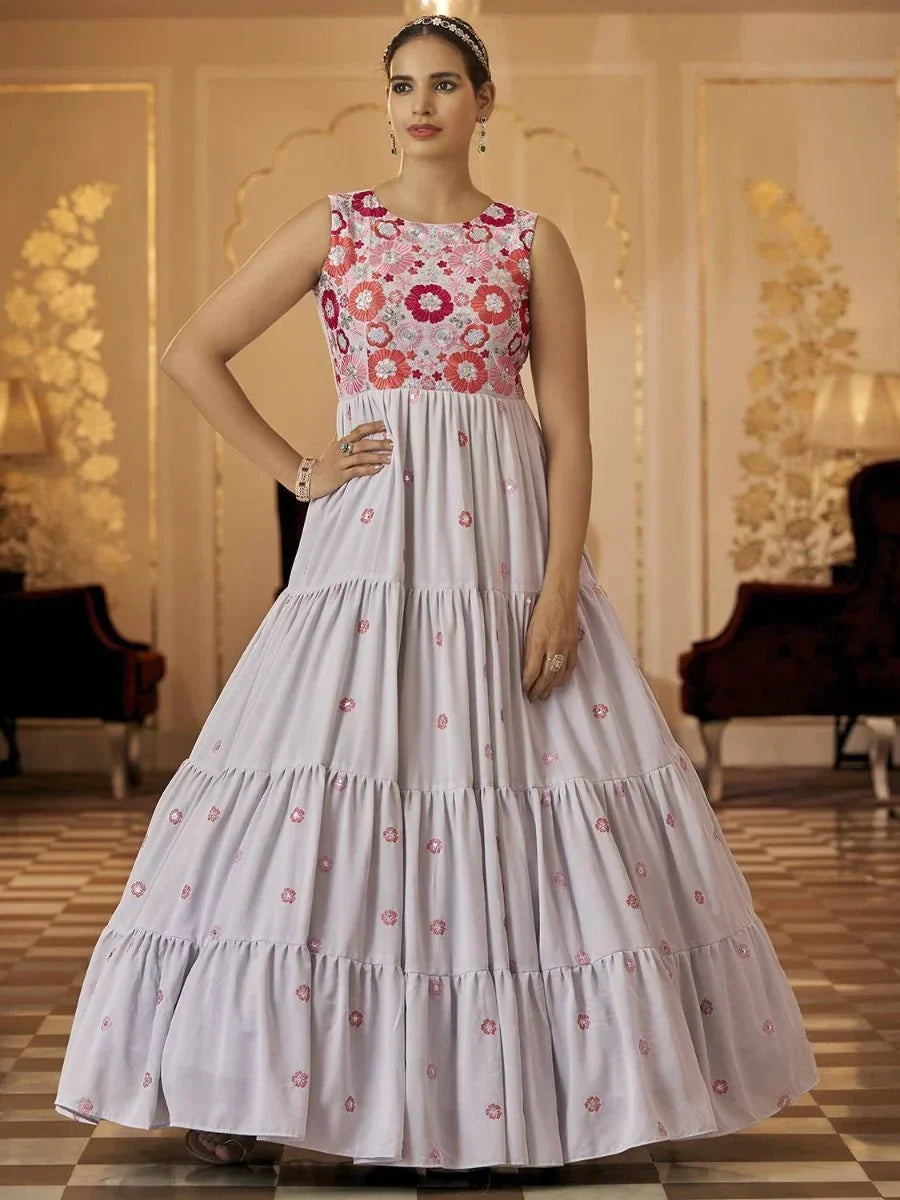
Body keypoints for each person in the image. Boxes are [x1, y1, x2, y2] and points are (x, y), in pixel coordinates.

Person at [52, 13, 819, 1183]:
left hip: (503, 556)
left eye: (446, 84)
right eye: (402, 84)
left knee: (516, 793)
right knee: (321, 793)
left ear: (485, 101)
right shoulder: (338, 228)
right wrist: (302, 472)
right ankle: (240, 1075)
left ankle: (523, 1100)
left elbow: (570, 430)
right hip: (367, 558)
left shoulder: (531, 241)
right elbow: (191, 350)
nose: (421, 104)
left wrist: (561, 588)